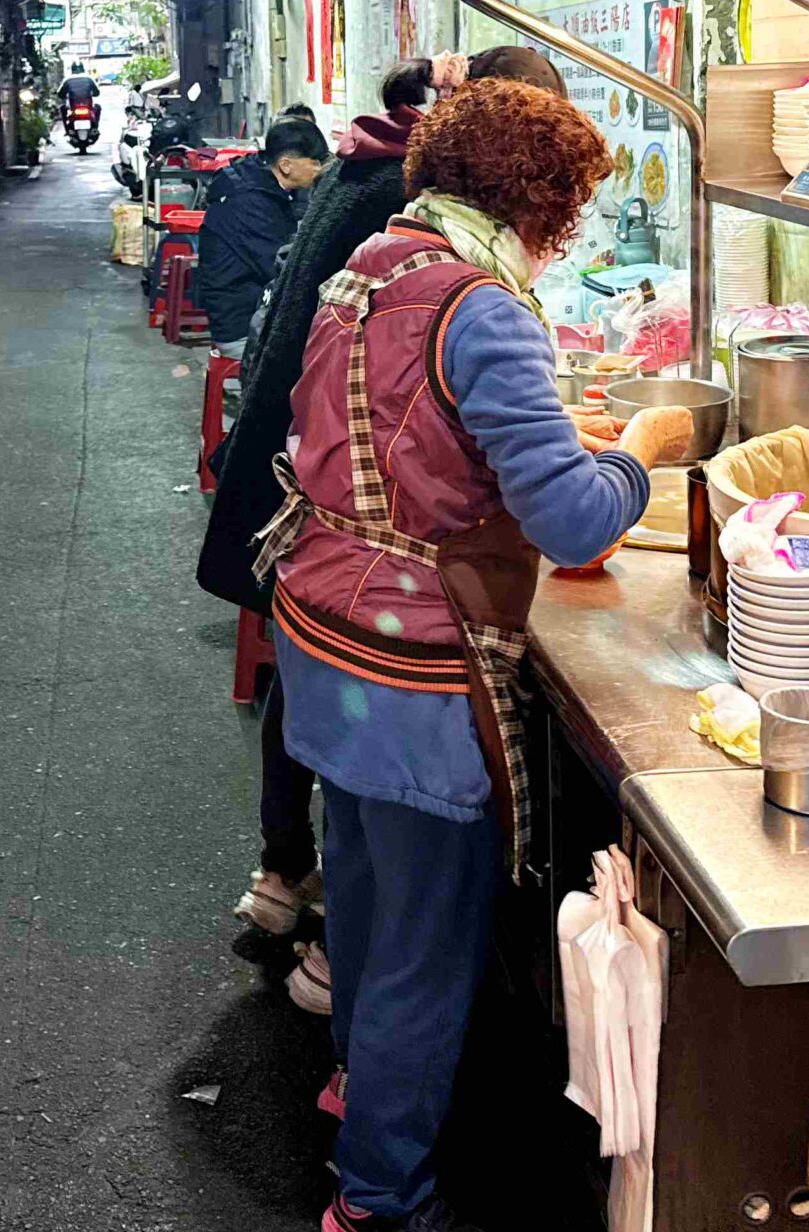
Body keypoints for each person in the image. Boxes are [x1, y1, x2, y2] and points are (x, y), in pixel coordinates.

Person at [257, 80, 691, 1232]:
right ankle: (381, 1202)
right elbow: (578, 523)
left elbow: (411, 442)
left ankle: (360, 1091)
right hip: (406, 669)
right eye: (570, 208)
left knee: (360, 896)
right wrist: (642, 453)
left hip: (322, 630)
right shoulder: (484, 309)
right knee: (422, 954)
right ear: (541, 202)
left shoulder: (379, 262)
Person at [197, 48, 566, 1001]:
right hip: (338, 516)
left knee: (331, 749)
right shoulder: (417, 233)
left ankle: (293, 891)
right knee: (391, 838)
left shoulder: (374, 175)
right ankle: (316, 925)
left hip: (306, 486)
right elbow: (430, 409)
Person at [194, 117, 330, 361]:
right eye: (315, 162)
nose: (319, 169)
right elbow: (282, 270)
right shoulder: (250, 202)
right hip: (241, 327)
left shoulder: (264, 184)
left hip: (253, 307)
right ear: (286, 165)